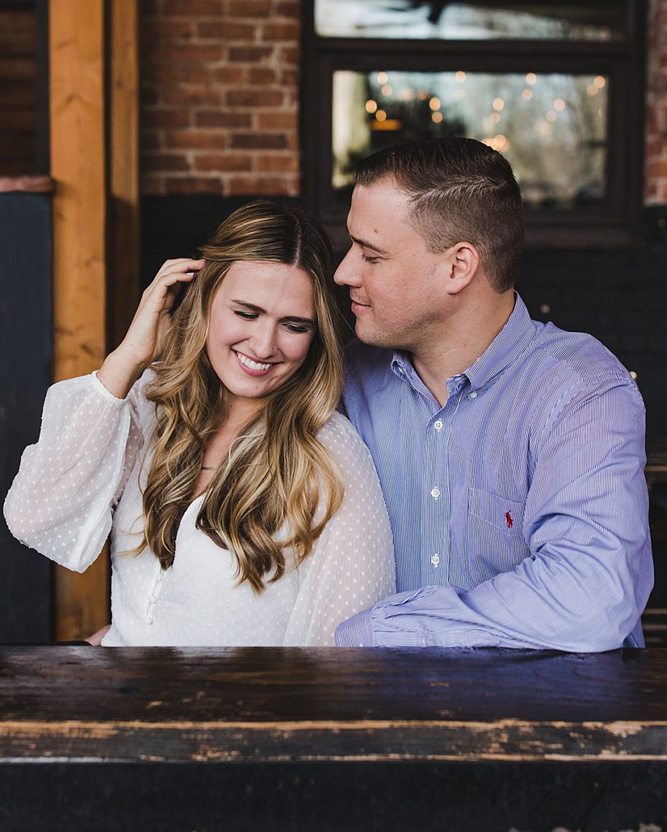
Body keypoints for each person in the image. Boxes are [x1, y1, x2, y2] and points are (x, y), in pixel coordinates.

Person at [4, 201, 394, 646]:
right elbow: (33, 515)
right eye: (246, 313)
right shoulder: (153, 406)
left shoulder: (330, 456)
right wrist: (128, 358)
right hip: (124, 702)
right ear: (205, 299)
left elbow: (343, 655)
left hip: (244, 712)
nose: (264, 345)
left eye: (293, 325)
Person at [333, 136, 653, 650]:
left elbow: (590, 598)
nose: (344, 272)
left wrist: (376, 631)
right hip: (384, 714)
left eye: (371, 255)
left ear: (458, 267)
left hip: (552, 720)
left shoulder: (581, 391)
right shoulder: (347, 377)